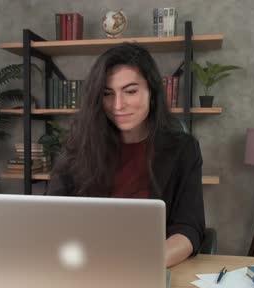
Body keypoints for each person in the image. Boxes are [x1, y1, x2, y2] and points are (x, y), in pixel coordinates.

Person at [47, 43, 205, 267]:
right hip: (86, 264)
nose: (118, 105)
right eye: (107, 94)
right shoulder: (79, 145)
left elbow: (189, 228)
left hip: (149, 265)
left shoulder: (183, 149)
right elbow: (52, 215)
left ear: (152, 92)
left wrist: (143, 264)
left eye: (130, 91)